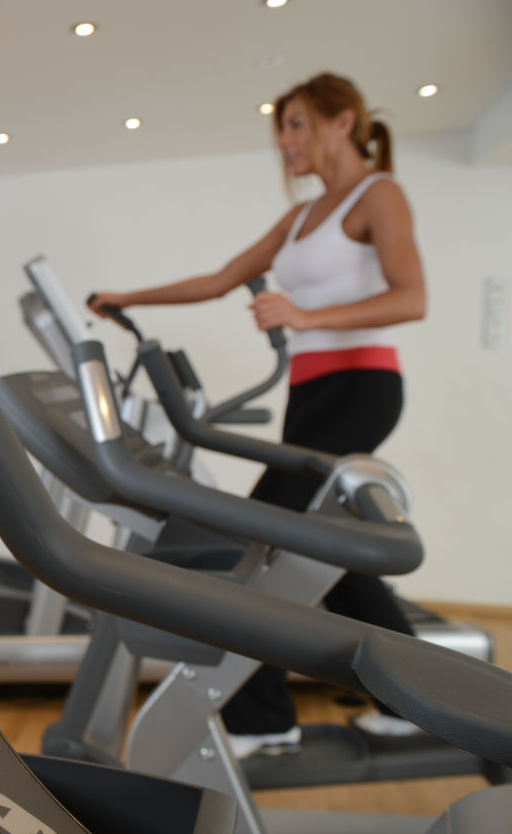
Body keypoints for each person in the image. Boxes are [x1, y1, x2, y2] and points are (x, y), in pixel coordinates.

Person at [88, 72, 427, 759]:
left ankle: (263, 717)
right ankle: (415, 695)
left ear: (343, 121)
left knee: (264, 543)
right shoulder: (303, 216)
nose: (284, 139)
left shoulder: (377, 195)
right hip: (310, 393)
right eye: (281, 126)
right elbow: (219, 278)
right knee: (330, 552)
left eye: (297, 123)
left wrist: (306, 315)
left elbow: (410, 297)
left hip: (362, 385)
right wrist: (129, 297)